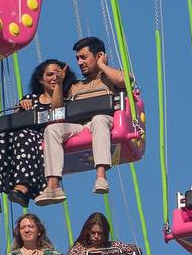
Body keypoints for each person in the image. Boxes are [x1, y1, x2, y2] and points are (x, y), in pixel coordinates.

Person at [0, 59, 76, 210]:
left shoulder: (66, 99)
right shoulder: (30, 99)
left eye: (57, 74)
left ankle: (22, 188)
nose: (53, 78)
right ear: (41, 79)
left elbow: (56, 112)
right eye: (50, 74)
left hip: (41, 136)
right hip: (20, 135)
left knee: (24, 136)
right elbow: (15, 122)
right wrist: (21, 109)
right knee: (0, 138)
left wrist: (59, 84)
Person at [35, 36, 128, 206]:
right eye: (77, 58)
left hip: (103, 121)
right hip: (79, 126)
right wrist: (60, 85)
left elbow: (124, 81)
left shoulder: (110, 77)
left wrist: (102, 66)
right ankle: (53, 185)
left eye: (84, 57)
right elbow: (57, 110)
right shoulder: (75, 86)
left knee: (99, 119)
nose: (79, 62)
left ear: (98, 55)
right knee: (51, 130)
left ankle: (101, 176)